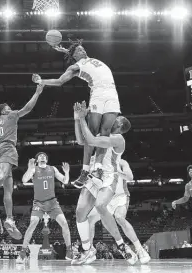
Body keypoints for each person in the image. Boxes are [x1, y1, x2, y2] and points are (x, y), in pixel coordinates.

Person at [32, 40, 121, 189]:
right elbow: (60, 81)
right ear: (75, 56)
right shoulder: (76, 66)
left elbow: (74, 52)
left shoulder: (88, 59)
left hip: (112, 92)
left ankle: (98, 169)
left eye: (83, 48)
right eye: (79, 50)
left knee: (105, 132)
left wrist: (65, 50)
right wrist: (42, 80)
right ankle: (85, 171)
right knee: (91, 134)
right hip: (98, 93)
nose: (83, 50)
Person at [71, 101, 135, 265]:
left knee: (100, 206)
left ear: (120, 126)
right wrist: (77, 119)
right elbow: (81, 141)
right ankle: (88, 250)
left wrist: (83, 119)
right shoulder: (103, 133)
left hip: (108, 177)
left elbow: (90, 140)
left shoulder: (118, 139)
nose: (112, 120)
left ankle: (121, 245)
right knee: (80, 213)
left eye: (116, 120)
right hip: (94, 175)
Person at [0, 84, 44, 239]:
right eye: (7, 107)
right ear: (3, 111)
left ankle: (9, 218)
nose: (10, 108)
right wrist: (37, 91)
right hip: (8, 147)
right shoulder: (11, 115)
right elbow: (27, 109)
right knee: (4, 178)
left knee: (9, 188)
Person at [86, 158, 151, 265]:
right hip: (106, 198)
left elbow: (130, 177)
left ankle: (140, 250)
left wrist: (117, 172)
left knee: (119, 217)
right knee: (90, 220)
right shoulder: (96, 162)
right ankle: (90, 250)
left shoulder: (121, 162)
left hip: (121, 196)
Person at [17, 153, 73, 263]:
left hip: (52, 203)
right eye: (40, 156)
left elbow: (65, 181)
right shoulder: (34, 169)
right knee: (32, 224)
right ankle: (22, 253)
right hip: (39, 203)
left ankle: (69, 250)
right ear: (37, 160)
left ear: (46, 159)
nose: (42, 156)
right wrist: (29, 168)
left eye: (44, 156)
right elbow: (24, 180)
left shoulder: (52, 169)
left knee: (65, 224)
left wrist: (67, 172)